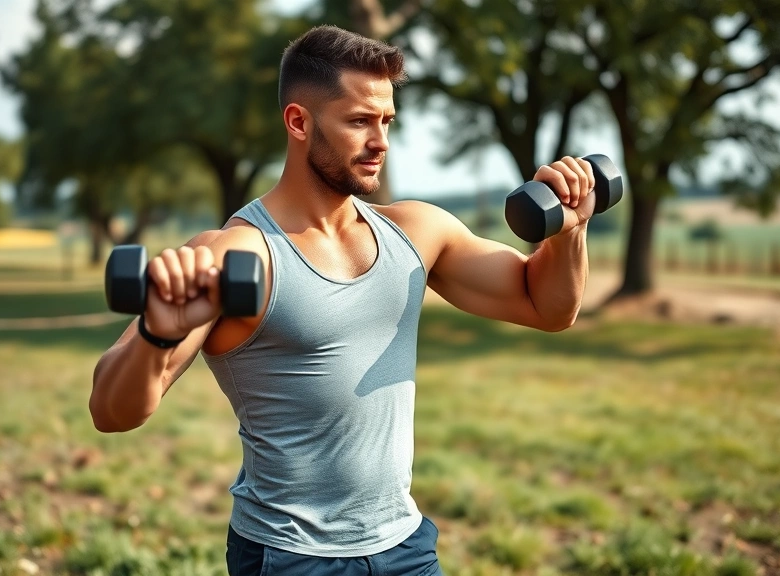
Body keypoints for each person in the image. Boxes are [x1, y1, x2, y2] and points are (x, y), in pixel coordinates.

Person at [91, 24, 597, 576]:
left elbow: (547, 306)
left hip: (404, 544)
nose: (380, 141)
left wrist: (568, 233)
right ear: (299, 122)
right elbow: (112, 411)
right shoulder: (237, 256)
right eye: (359, 121)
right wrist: (156, 333)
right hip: (290, 554)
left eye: (386, 121)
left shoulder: (417, 232)